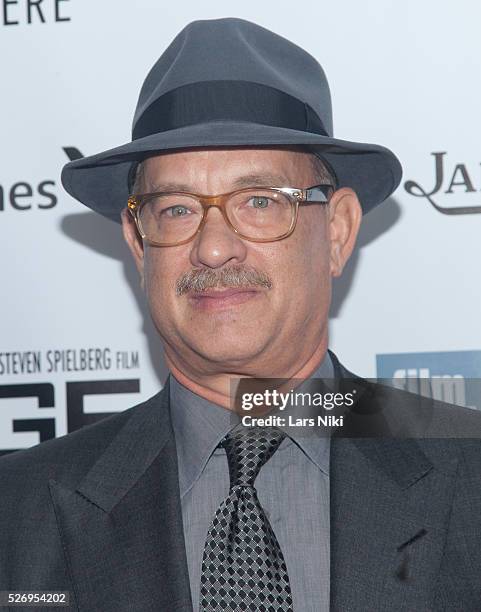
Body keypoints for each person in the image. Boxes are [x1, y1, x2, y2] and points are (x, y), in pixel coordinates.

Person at [1, 17, 481, 612]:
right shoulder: (16, 512)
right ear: (137, 241)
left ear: (336, 230)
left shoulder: (471, 470)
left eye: (259, 201)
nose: (213, 247)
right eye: (176, 208)